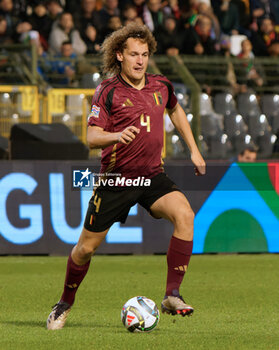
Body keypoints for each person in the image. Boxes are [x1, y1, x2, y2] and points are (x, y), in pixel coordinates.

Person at [46, 23, 206, 330]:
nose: (140, 61)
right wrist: (116, 135)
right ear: (120, 55)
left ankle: (172, 294)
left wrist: (194, 150)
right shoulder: (108, 91)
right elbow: (92, 137)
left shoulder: (161, 85)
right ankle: (65, 302)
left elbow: (176, 110)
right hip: (117, 179)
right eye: (133, 54)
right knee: (85, 249)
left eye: (144, 54)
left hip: (152, 176)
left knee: (185, 215)